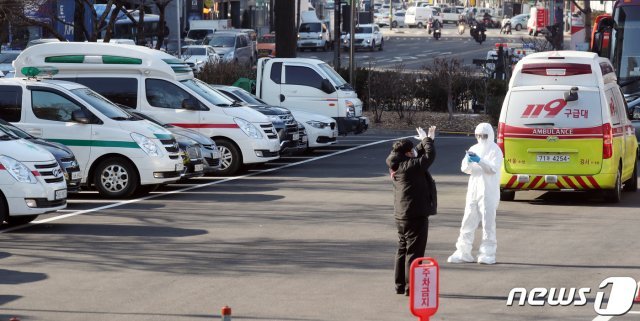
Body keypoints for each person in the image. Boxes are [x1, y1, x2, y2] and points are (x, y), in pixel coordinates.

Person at [386, 126, 437, 295]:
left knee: (402, 249)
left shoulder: (396, 163)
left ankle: (399, 285)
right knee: (414, 252)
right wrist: (426, 141)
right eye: (411, 151)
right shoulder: (409, 167)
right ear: (407, 153)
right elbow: (428, 157)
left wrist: (427, 141)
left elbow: (418, 154)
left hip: (401, 215)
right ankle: (411, 287)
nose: (413, 152)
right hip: (415, 214)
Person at [447, 123, 503, 265]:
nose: (481, 138)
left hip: (489, 191)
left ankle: (487, 253)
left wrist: (480, 160)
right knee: (467, 220)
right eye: (478, 135)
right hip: (474, 189)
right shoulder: (474, 148)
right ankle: (463, 251)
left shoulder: (496, 150)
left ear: (490, 135)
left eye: (484, 136)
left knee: (488, 223)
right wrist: (469, 160)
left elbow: (493, 169)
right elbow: (465, 168)